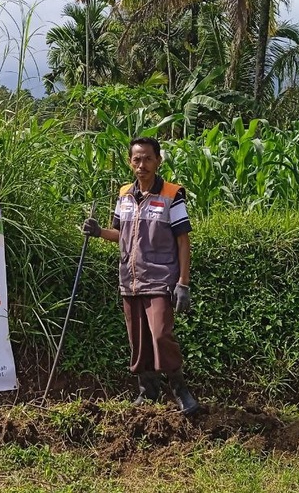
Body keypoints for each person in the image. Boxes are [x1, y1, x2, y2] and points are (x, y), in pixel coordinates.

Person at [81, 137, 199, 415]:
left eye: (147, 158)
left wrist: (183, 283)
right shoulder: (124, 194)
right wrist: (98, 232)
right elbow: (119, 233)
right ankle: (148, 391)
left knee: (159, 335)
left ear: (158, 161)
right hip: (130, 280)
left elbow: (183, 240)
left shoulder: (172, 194)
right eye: (136, 159)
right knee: (138, 340)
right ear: (129, 162)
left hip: (159, 279)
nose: (141, 164)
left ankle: (180, 390)